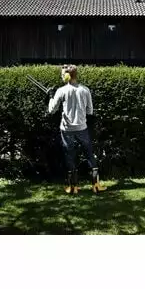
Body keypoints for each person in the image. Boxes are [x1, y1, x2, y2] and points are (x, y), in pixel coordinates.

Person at [47, 64, 107, 195]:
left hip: (67, 129)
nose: (61, 76)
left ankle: (73, 187)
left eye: (62, 74)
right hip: (82, 128)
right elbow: (90, 111)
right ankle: (95, 185)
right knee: (89, 154)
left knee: (69, 155)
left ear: (67, 76)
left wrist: (51, 96)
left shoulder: (61, 91)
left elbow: (51, 110)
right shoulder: (85, 90)